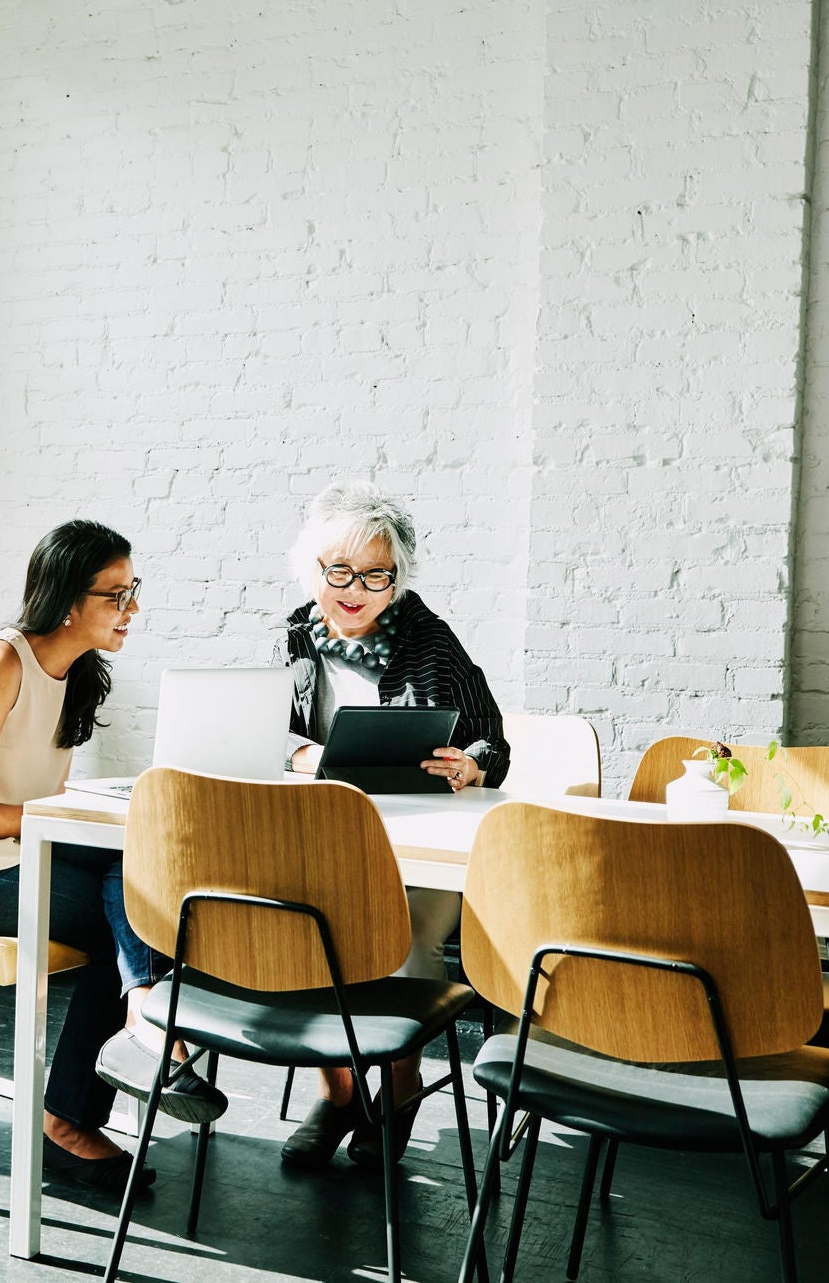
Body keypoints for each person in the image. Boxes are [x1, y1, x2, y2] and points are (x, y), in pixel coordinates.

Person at [0, 520, 219, 1194]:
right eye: (117, 594)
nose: (132, 608)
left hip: (0, 862)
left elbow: (31, 805)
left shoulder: (76, 674)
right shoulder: (1, 662)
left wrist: (92, 814)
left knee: (142, 870)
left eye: (132, 589)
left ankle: (133, 1018)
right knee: (137, 904)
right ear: (67, 600)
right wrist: (67, 817)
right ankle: (108, 1066)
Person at [274, 483, 509, 1171]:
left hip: (428, 853)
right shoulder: (295, 637)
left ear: (397, 578)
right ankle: (342, 1091)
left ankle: (401, 1091)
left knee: (402, 937)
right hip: (335, 842)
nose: (355, 590)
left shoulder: (430, 639)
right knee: (302, 925)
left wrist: (471, 762)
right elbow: (268, 732)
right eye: (338, 572)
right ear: (311, 568)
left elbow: (491, 738)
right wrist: (302, 752)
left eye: (376, 575)